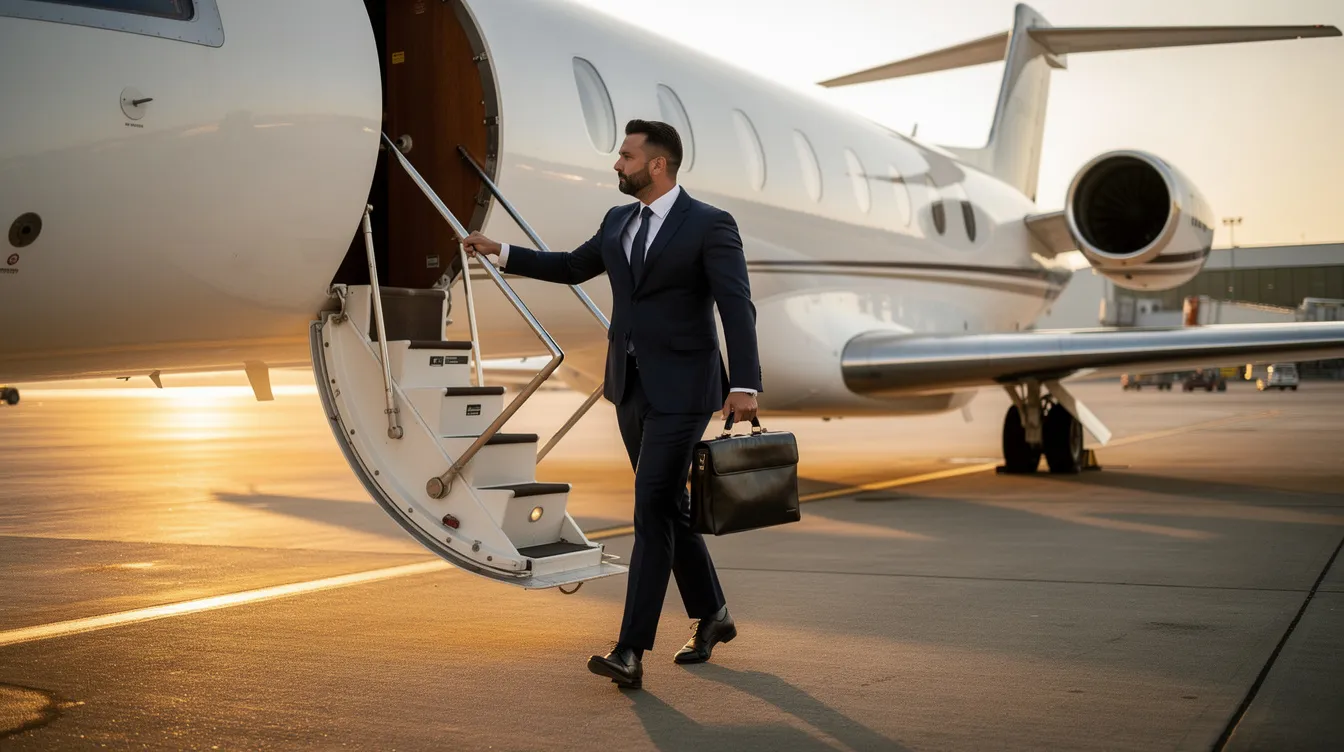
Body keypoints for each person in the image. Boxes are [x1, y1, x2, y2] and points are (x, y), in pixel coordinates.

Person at [462, 119, 762, 689]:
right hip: (630, 385)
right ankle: (715, 615)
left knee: (649, 507)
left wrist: (744, 383)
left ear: (658, 165)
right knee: (670, 507)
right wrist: (502, 252)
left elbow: (736, 305)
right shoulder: (618, 220)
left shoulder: (710, 225)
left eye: (626, 156)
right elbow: (573, 268)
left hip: (685, 389)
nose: (616, 165)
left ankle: (630, 650)